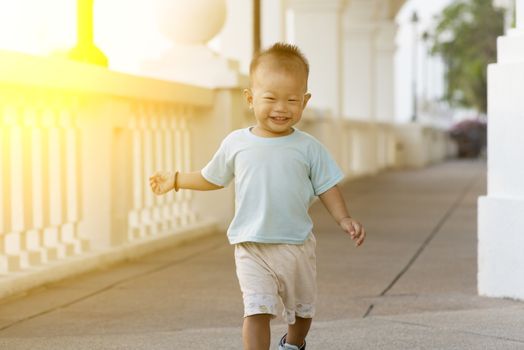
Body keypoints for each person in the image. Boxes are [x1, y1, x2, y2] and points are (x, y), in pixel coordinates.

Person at [149, 42, 366, 350]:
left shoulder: (308, 147)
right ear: (250, 99)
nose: (281, 108)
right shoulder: (237, 143)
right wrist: (176, 179)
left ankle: (293, 344)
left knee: (302, 312)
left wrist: (343, 218)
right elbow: (212, 177)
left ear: (305, 101)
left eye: (292, 100)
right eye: (270, 98)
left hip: (296, 247)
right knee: (256, 310)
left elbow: (327, 186)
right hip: (251, 245)